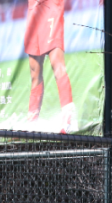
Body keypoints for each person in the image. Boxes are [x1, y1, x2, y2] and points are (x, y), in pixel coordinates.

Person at [24, 0, 78, 132]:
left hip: (51, 9)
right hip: (34, 13)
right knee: (35, 74)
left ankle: (68, 118)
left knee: (57, 65)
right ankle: (32, 121)